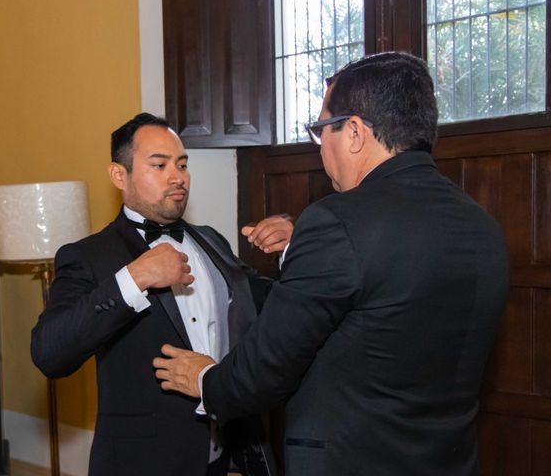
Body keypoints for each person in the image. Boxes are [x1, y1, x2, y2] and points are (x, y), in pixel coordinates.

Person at [153, 52, 510, 476]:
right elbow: (382, 304)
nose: (321, 145)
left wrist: (205, 381)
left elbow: (264, 371)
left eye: (323, 129)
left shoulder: (337, 220)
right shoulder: (481, 224)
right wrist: (300, 250)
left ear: (355, 132)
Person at [31, 112, 292, 476]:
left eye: (182, 164)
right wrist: (134, 279)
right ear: (119, 175)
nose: (178, 177)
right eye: (160, 164)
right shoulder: (88, 256)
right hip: (142, 464)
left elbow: (270, 304)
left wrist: (294, 247)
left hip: (223, 458)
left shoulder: (211, 240)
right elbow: (49, 353)